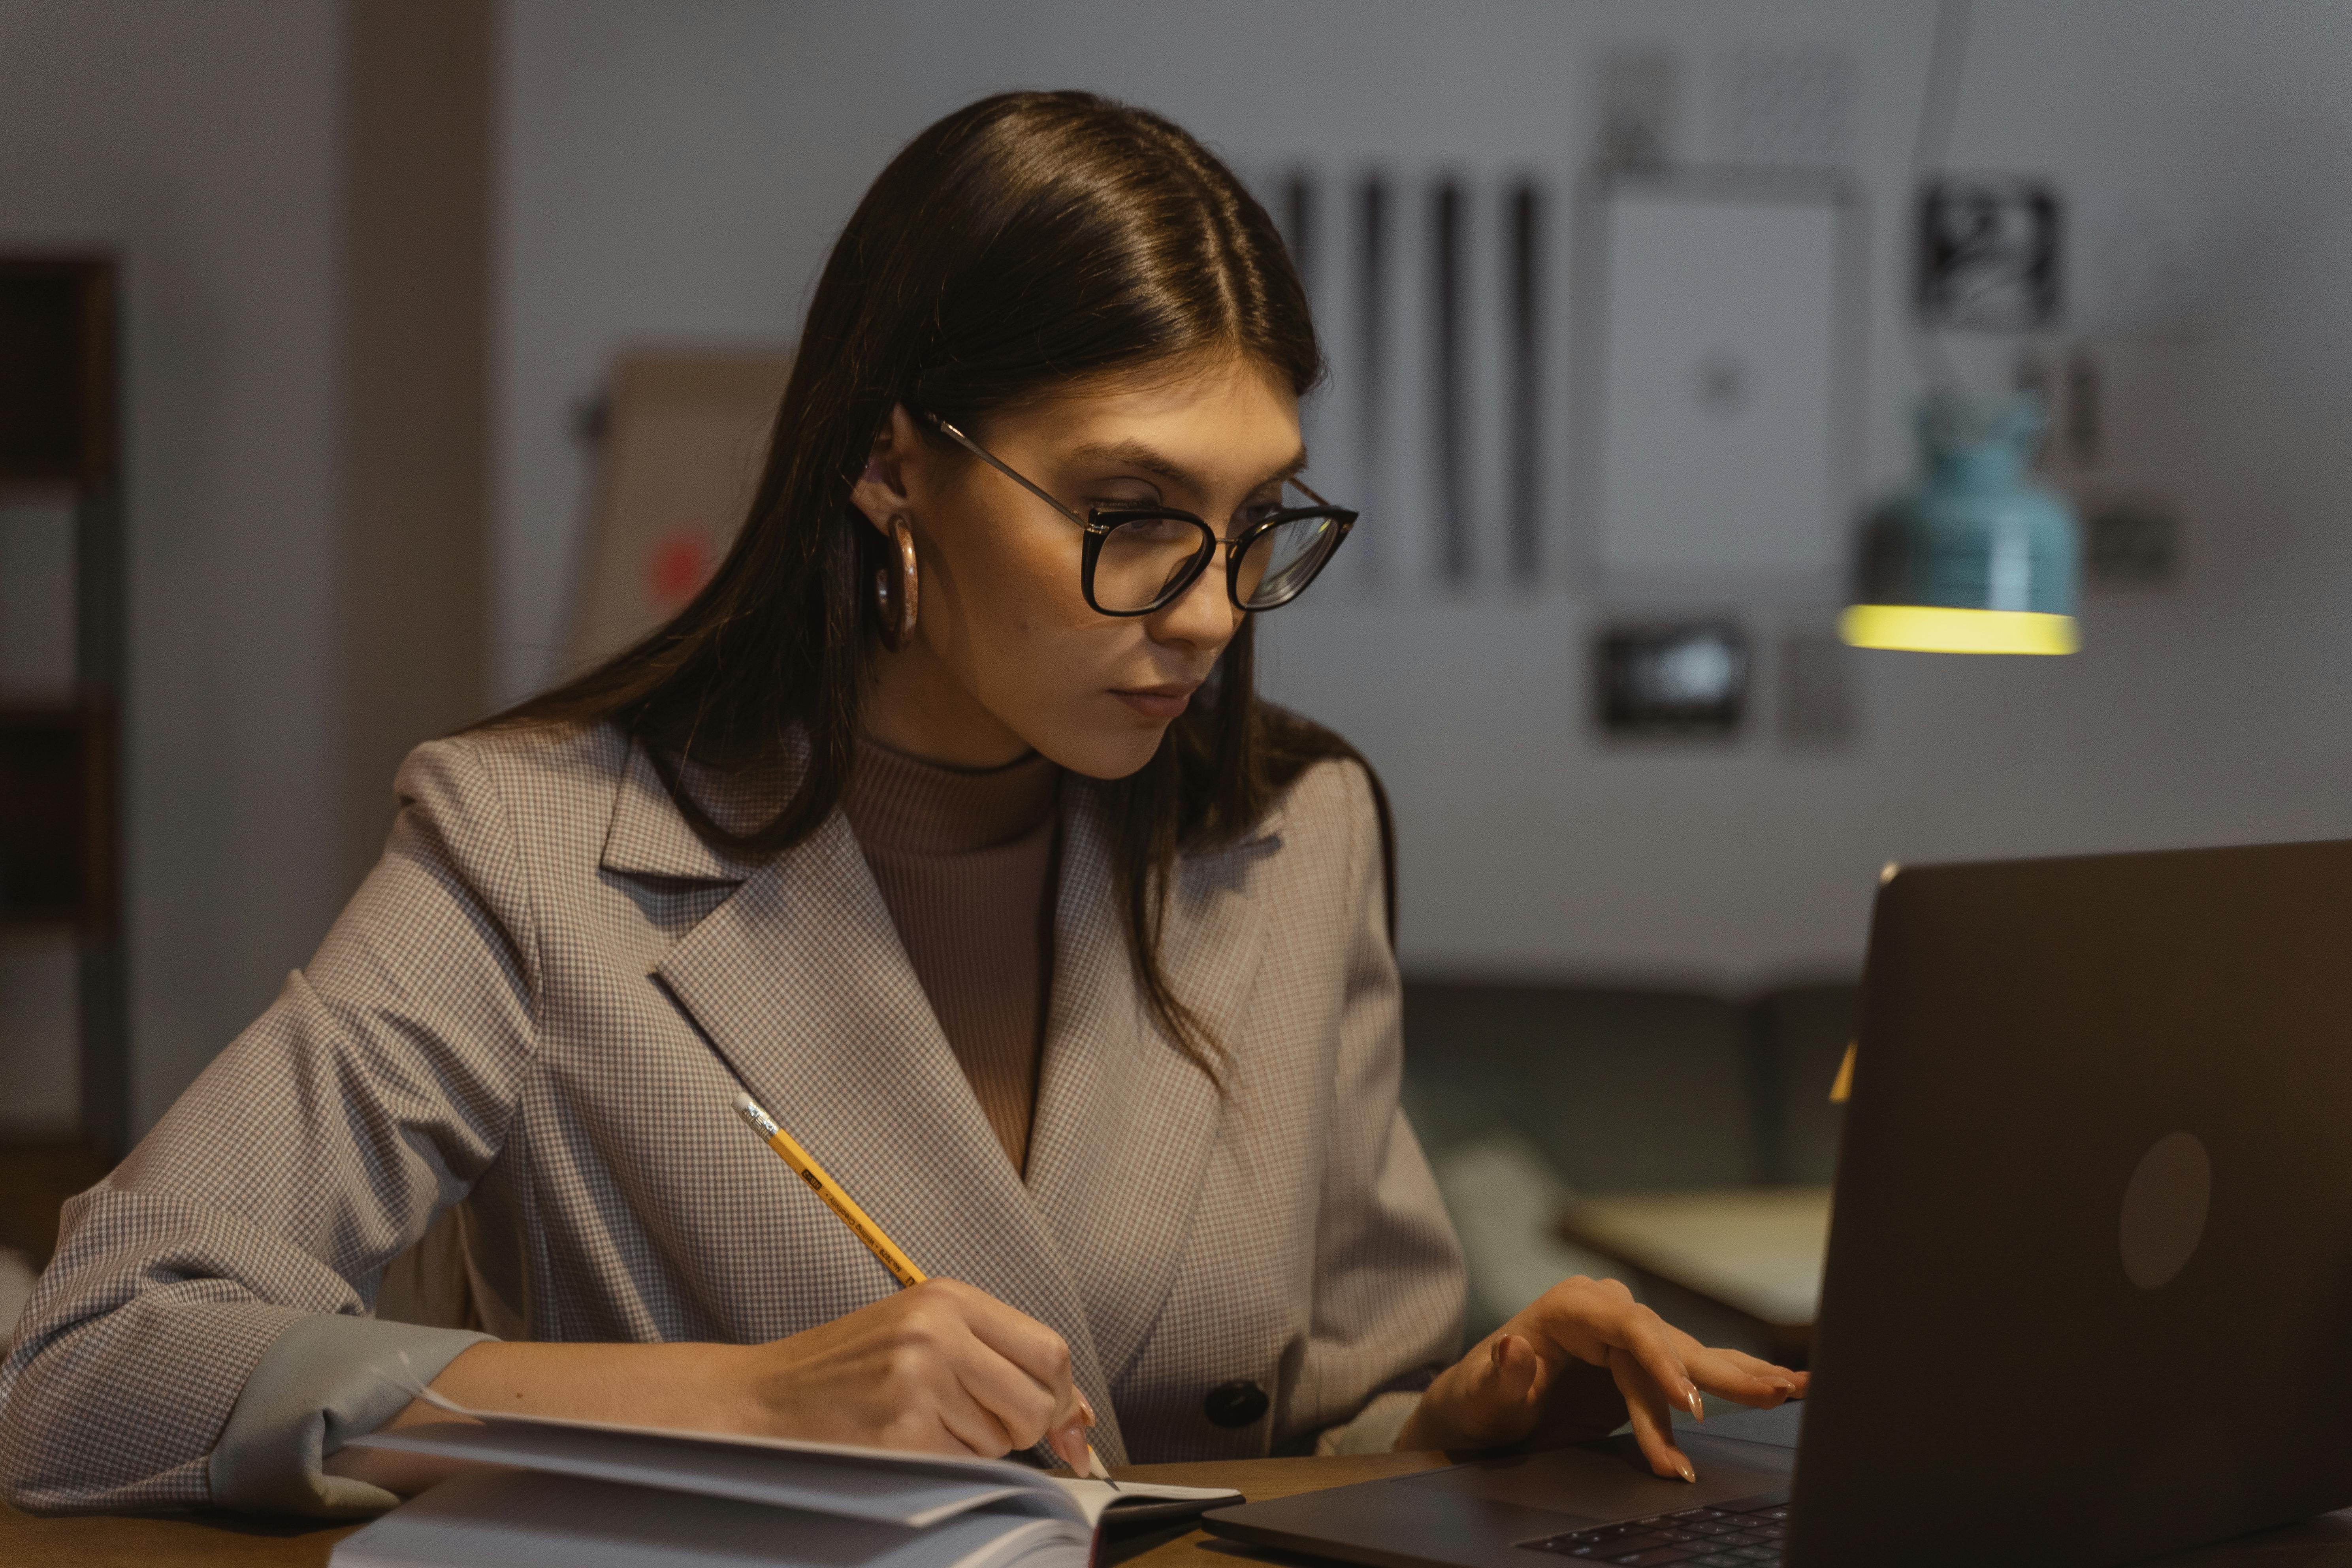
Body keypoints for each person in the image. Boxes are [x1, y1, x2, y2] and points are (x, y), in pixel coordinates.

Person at [0, 90, 1802, 1517]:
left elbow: (1318, 1431)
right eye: (1128, 513)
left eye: (1260, 524)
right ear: (890, 467)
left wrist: (1475, 1409)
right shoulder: (533, 847)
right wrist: (745, 1404)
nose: (1203, 608)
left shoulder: (1289, 831)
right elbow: (100, 1364)